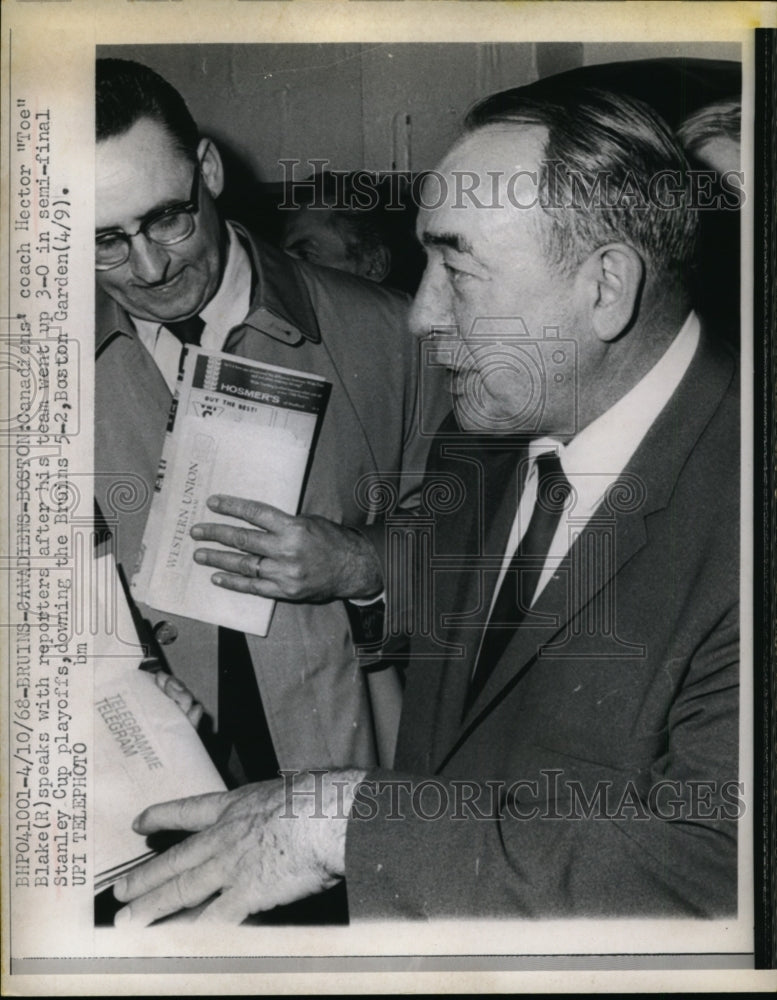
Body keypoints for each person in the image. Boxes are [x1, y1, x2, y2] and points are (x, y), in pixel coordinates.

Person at [112, 82, 739, 924]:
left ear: (606, 287)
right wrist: (363, 571)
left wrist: (351, 824)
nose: (419, 315)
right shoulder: (488, 430)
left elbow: (720, 868)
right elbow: (496, 642)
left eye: (457, 267)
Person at [94, 57, 446, 792]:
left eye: (167, 216)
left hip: (356, 787)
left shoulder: (394, 336)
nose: (151, 267)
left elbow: (489, 552)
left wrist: (361, 563)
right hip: (146, 791)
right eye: (105, 241)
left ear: (210, 171)